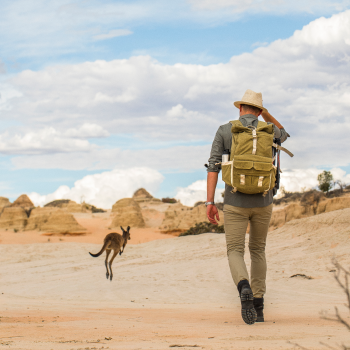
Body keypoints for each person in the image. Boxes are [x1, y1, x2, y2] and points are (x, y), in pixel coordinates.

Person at [205, 89, 289, 325]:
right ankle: (259, 307)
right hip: (263, 201)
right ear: (260, 111)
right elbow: (286, 135)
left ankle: (244, 287)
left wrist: (210, 202)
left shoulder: (226, 130)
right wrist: (268, 115)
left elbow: (213, 167)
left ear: (240, 108)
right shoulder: (270, 130)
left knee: (235, 250)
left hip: (234, 200)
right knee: (258, 250)